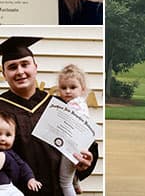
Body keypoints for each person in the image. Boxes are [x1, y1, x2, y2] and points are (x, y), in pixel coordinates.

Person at [0, 37, 98, 196]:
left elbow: (85, 145)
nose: (20, 71)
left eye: (25, 64)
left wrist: (85, 162)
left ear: (35, 67)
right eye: (12, 67)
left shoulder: (58, 105)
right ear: (4, 74)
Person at [54, 64, 90, 196]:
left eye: (73, 87)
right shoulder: (81, 103)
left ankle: (73, 187)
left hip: (72, 146)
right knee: (70, 173)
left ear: (82, 89)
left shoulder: (74, 105)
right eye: (63, 88)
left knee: (64, 181)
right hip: (77, 145)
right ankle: (76, 183)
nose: (68, 91)